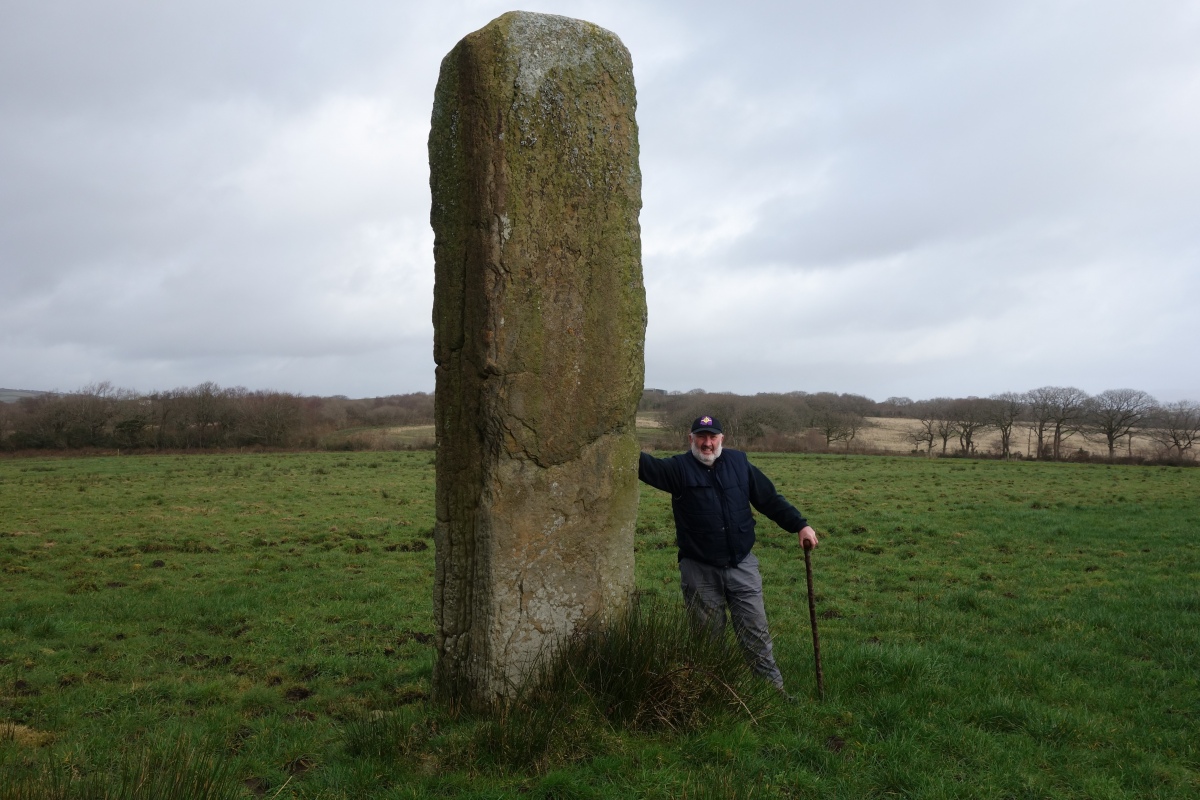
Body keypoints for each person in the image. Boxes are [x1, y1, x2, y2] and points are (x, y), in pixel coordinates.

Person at [638, 414, 819, 691]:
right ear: (691, 439)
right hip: (699, 569)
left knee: (755, 632)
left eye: (712, 437)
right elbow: (641, 465)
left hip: (741, 564)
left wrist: (800, 525)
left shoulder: (739, 464)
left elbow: (769, 499)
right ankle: (711, 694)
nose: (707, 443)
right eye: (701, 437)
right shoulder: (677, 469)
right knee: (707, 638)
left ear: (722, 439)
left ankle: (771, 692)